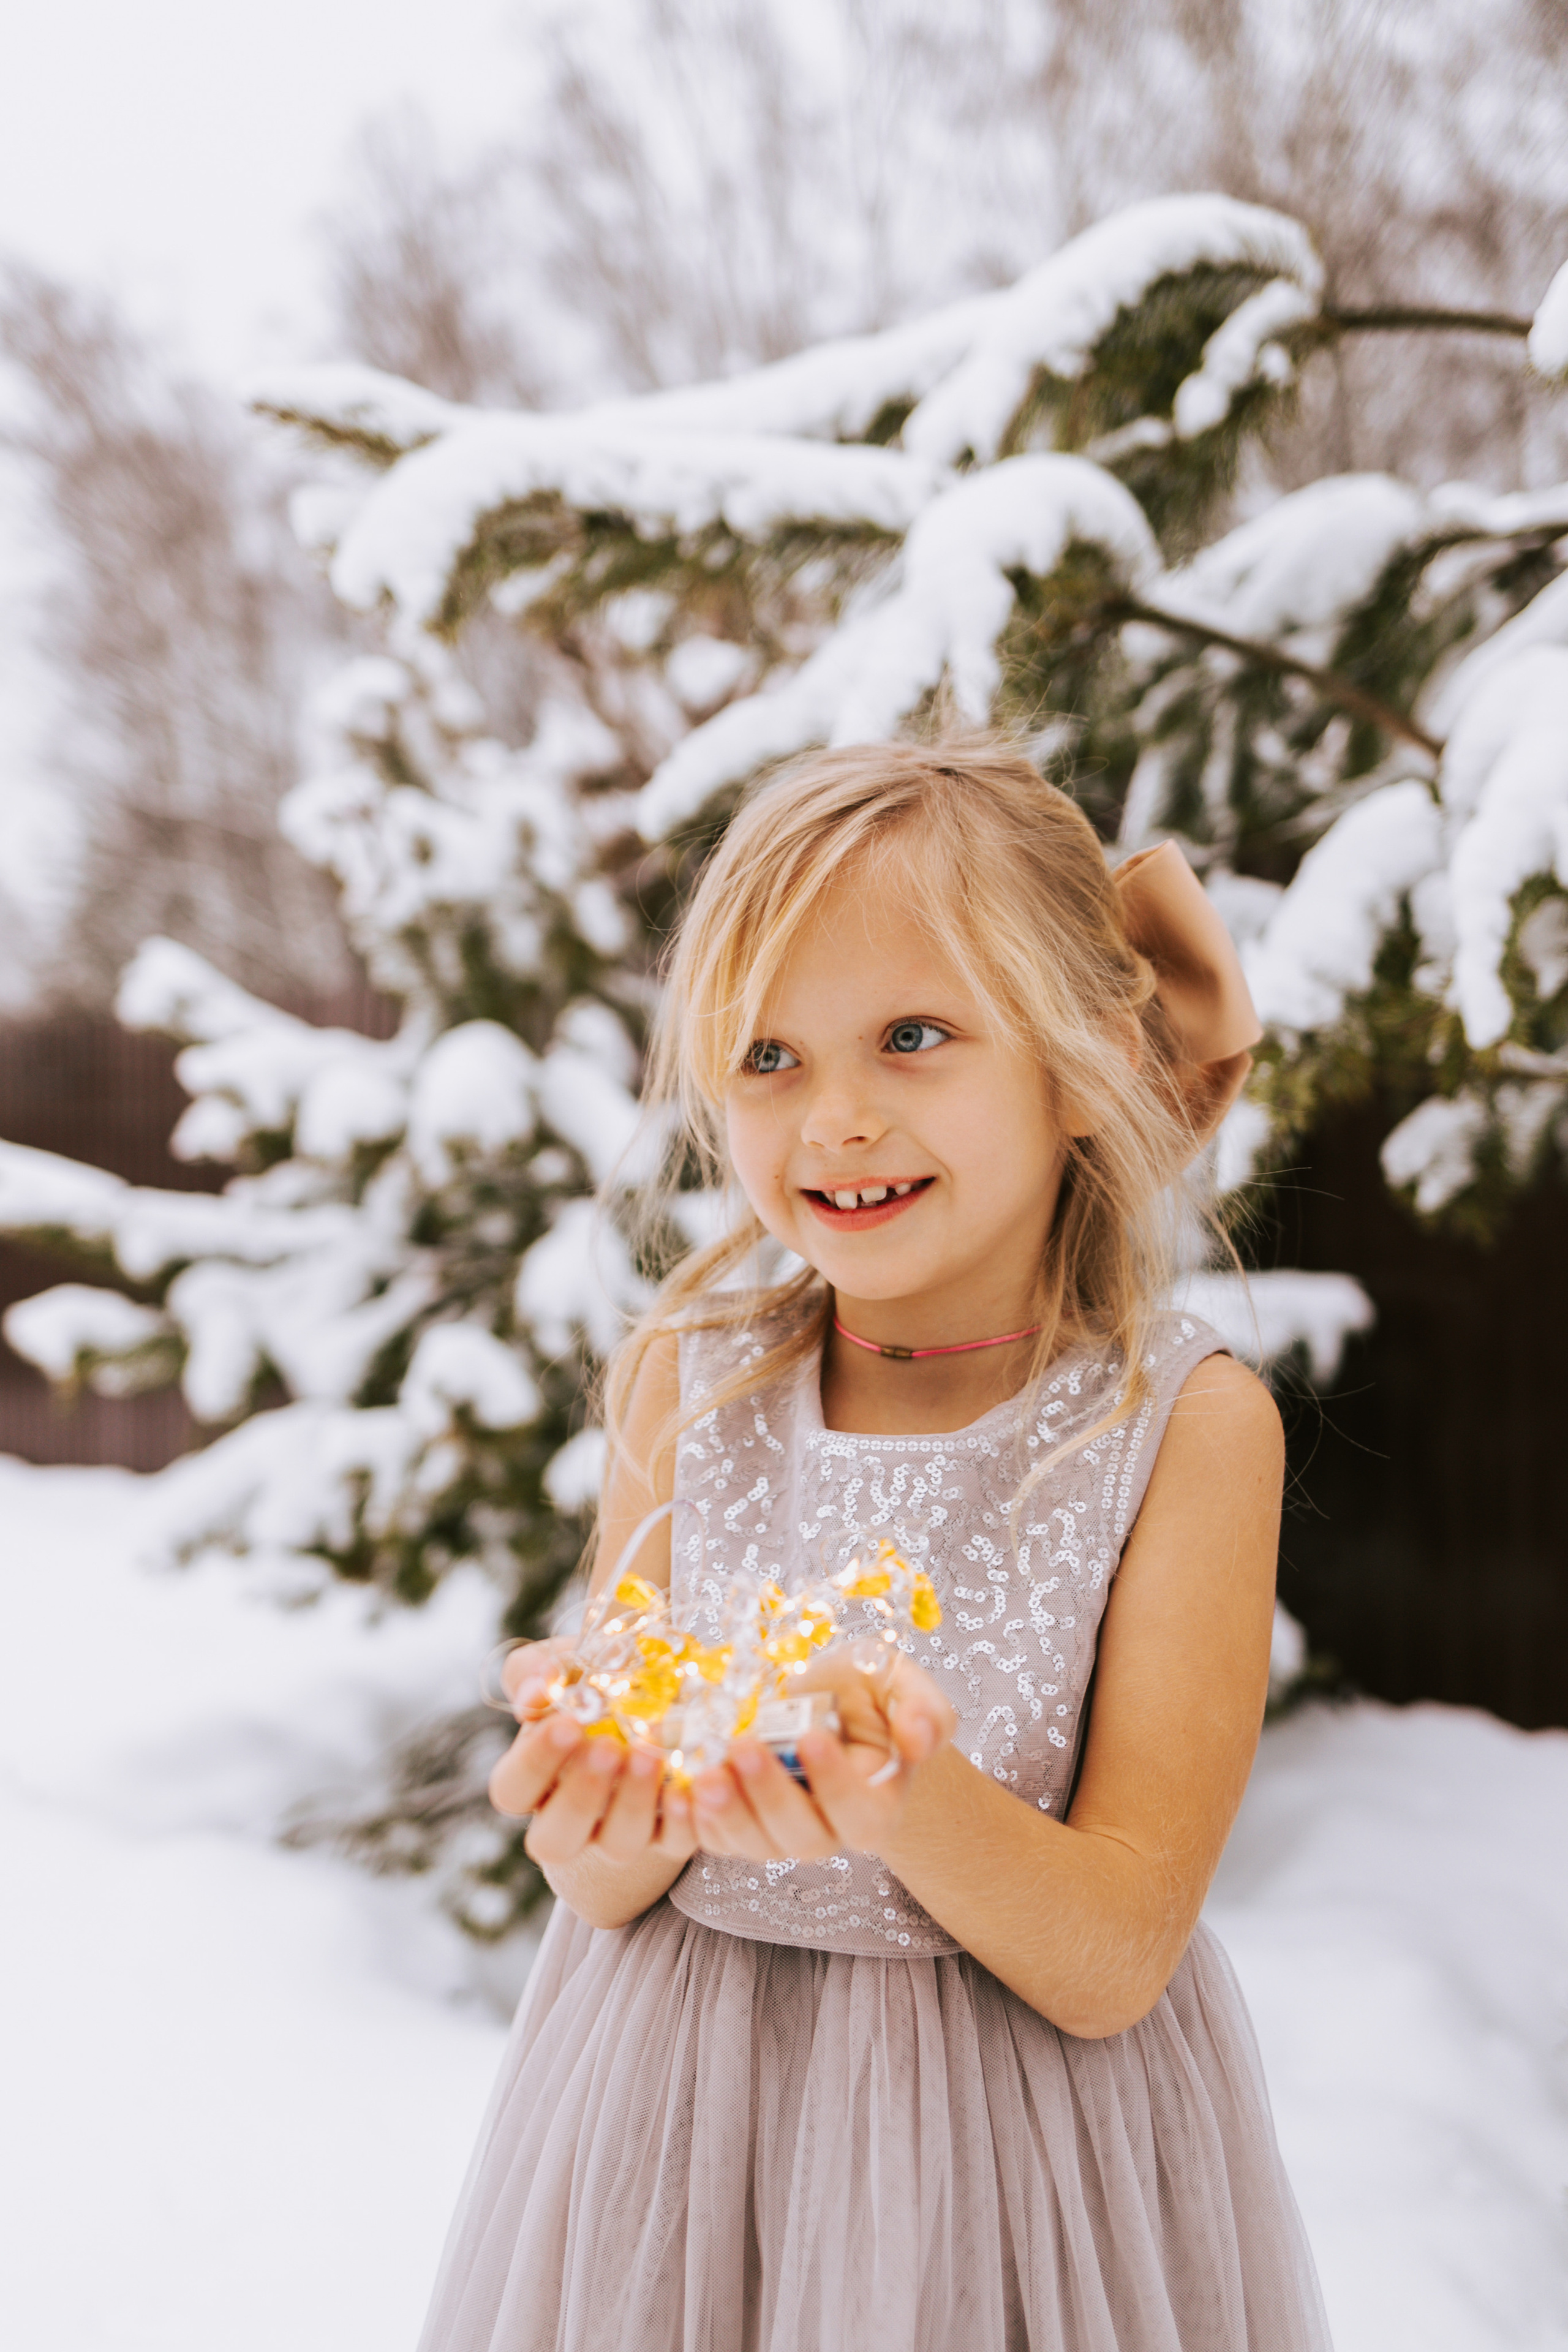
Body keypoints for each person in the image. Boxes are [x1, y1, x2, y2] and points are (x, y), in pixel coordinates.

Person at [416, 740, 1332, 2351]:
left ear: (1079, 1061)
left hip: (1021, 2181)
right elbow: (609, 1878)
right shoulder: (686, 1385)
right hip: (678, 2146)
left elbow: (1117, 1951)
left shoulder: (1180, 1429)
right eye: (768, 1055)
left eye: (913, 1036)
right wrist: (592, 1791)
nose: (834, 1118)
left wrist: (901, 1795)